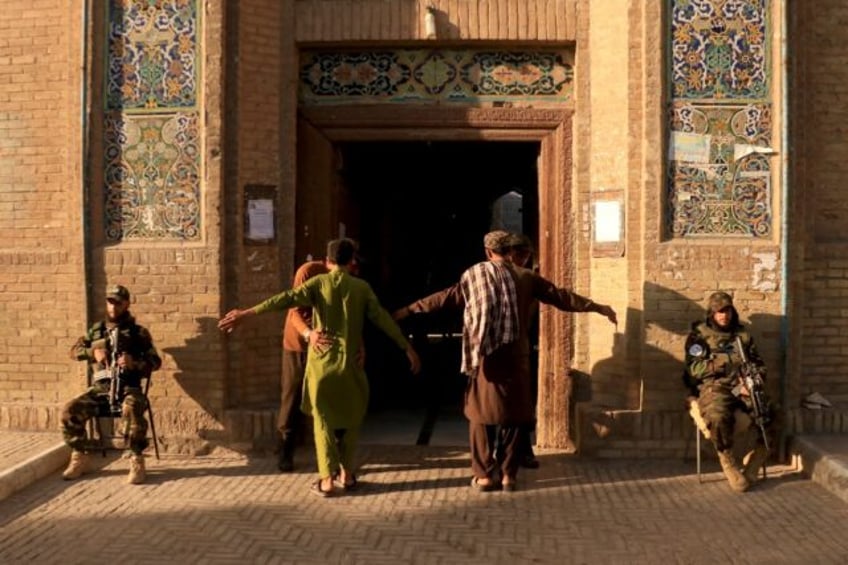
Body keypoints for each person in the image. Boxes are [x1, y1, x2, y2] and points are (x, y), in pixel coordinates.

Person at [394, 230, 617, 492]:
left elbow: (444, 298)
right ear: (510, 253)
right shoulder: (525, 277)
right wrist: (597, 306)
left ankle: (486, 474)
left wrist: (408, 309)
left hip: (484, 357)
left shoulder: (474, 276)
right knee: (514, 415)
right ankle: (509, 474)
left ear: (488, 252)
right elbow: (561, 296)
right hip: (516, 357)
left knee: (479, 414)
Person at [218, 238, 421, 497]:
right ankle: (347, 474)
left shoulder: (317, 283)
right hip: (350, 366)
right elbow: (382, 319)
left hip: (321, 366)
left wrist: (246, 313)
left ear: (327, 261)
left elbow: (284, 300)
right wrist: (407, 348)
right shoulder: (361, 288)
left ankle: (326, 480)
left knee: (322, 423)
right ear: (351, 262)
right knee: (351, 421)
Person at [62, 284, 162, 484]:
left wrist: (134, 363)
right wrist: (92, 352)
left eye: (118, 303)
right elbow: (74, 351)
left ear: (126, 304)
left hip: (129, 388)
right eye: (110, 302)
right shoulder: (97, 330)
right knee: (70, 410)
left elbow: (155, 362)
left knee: (132, 407)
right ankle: (80, 454)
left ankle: (136, 458)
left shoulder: (138, 333)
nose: (113, 307)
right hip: (101, 390)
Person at [683, 291, 771, 493]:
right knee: (718, 415)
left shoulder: (743, 336)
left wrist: (753, 381)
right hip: (714, 386)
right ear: (712, 313)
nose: (724, 315)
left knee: (771, 412)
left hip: (740, 386)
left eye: (727, 310)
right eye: (719, 311)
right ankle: (728, 461)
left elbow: (759, 364)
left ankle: (756, 461)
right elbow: (693, 369)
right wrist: (723, 362)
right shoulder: (699, 336)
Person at [277, 258, 328, 472]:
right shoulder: (309, 272)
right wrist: (308, 334)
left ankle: (328, 454)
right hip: (299, 344)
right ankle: (285, 451)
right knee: (293, 395)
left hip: (324, 345)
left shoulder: (346, 279)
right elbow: (294, 309)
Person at [506, 233, 540, 469]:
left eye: (527, 255)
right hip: (506, 348)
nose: (524, 260)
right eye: (521, 255)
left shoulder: (529, 279)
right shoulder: (498, 278)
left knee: (522, 402)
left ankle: (521, 452)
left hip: (523, 347)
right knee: (501, 405)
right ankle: (503, 458)